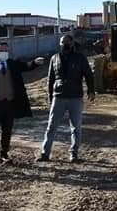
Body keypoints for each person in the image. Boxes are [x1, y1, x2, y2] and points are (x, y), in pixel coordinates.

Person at [0, 43, 45, 165]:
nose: (3, 53)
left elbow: (26, 66)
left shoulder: (12, 63)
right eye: (1, 50)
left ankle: (4, 155)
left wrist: (35, 62)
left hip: (9, 103)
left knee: (7, 130)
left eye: (5, 51)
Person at [37, 34, 95, 163]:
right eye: (62, 42)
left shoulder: (80, 58)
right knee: (51, 126)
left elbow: (89, 75)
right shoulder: (54, 58)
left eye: (67, 42)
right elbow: (50, 80)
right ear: (60, 44)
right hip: (58, 97)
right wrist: (50, 98)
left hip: (75, 97)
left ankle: (74, 154)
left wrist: (91, 91)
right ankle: (45, 153)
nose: (65, 44)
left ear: (72, 43)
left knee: (76, 127)